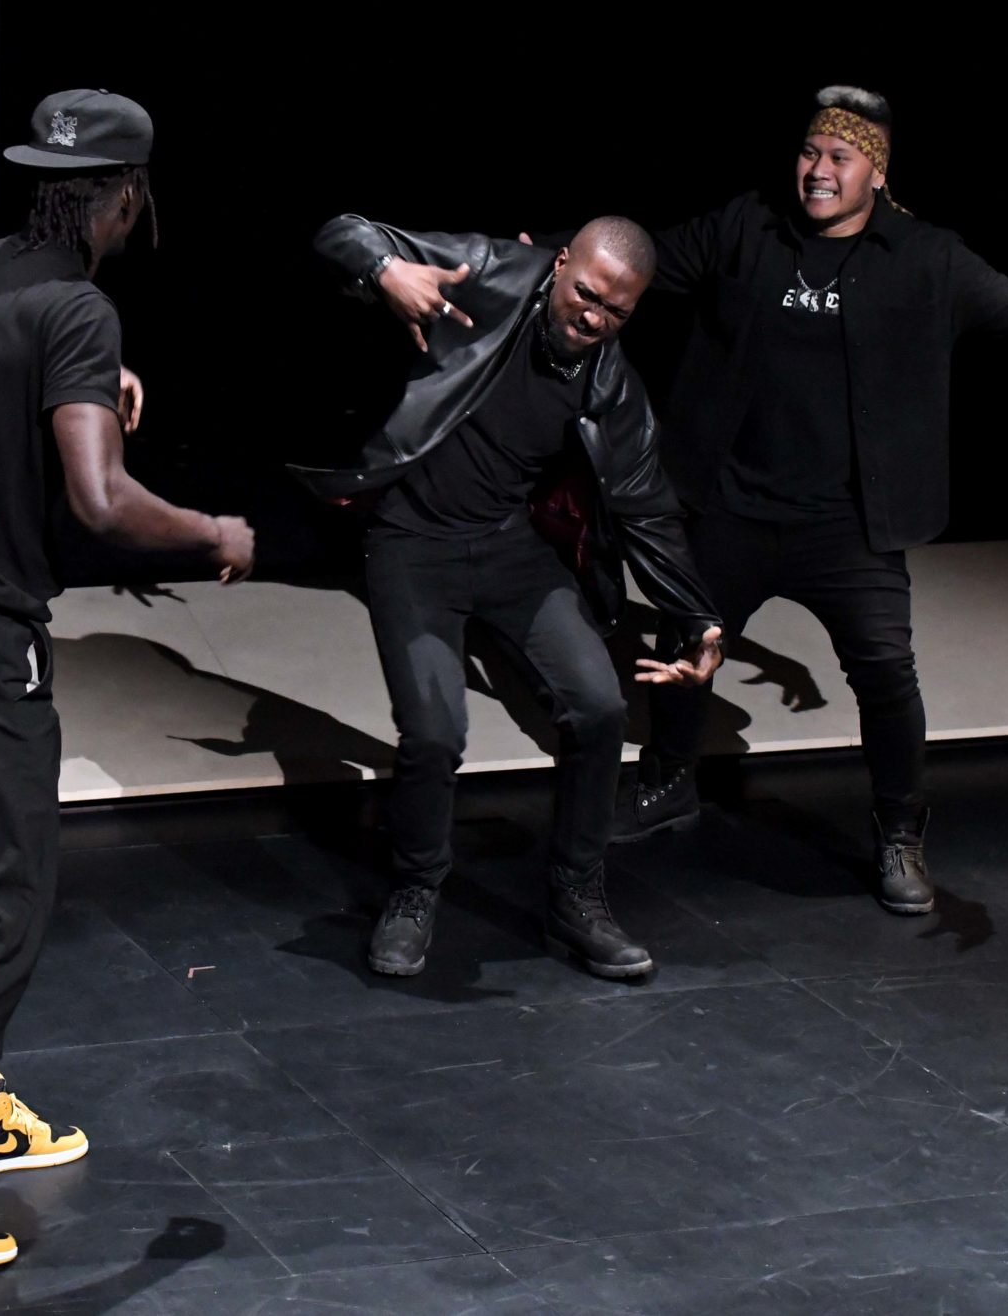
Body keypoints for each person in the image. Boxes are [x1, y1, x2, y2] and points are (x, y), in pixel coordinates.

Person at [0, 89, 256, 1267]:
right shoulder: (78, 309)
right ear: (126, 198)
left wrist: (75, 395)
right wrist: (213, 531)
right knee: (4, 907)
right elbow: (101, 502)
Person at [610, 85, 1008, 916]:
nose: (818, 170)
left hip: (848, 526)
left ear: (876, 172)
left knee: (886, 674)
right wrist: (547, 258)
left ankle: (900, 832)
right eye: (810, 153)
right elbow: (637, 260)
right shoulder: (747, 227)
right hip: (733, 507)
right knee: (683, 644)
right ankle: (668, 780)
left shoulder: (924, 257)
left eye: (840, 158)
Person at [295, 213, 723, 983]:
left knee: (598, 705)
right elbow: (341, 232)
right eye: (585, 294)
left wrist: (698, 619)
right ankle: (416, 888)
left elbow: (647, 506)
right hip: (411, 543)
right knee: (434, 732)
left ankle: (577, 894)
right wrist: (385, 271)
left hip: (508, 548)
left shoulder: (610, 383)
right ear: (559, 265)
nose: (592, 317)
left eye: (615, 310)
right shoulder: (488, 274)